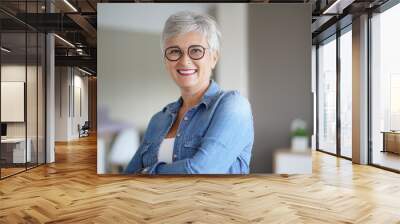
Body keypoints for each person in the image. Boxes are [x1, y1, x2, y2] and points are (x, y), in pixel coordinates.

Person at [124, 11, 254, 174]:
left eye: (196, 50)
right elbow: (127, 177)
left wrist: (147, 173)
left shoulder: (234, 106)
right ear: (166, 61)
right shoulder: (158, 120)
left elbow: (202, 172)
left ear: (213, 58)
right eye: (174, 51)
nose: (184, 61)